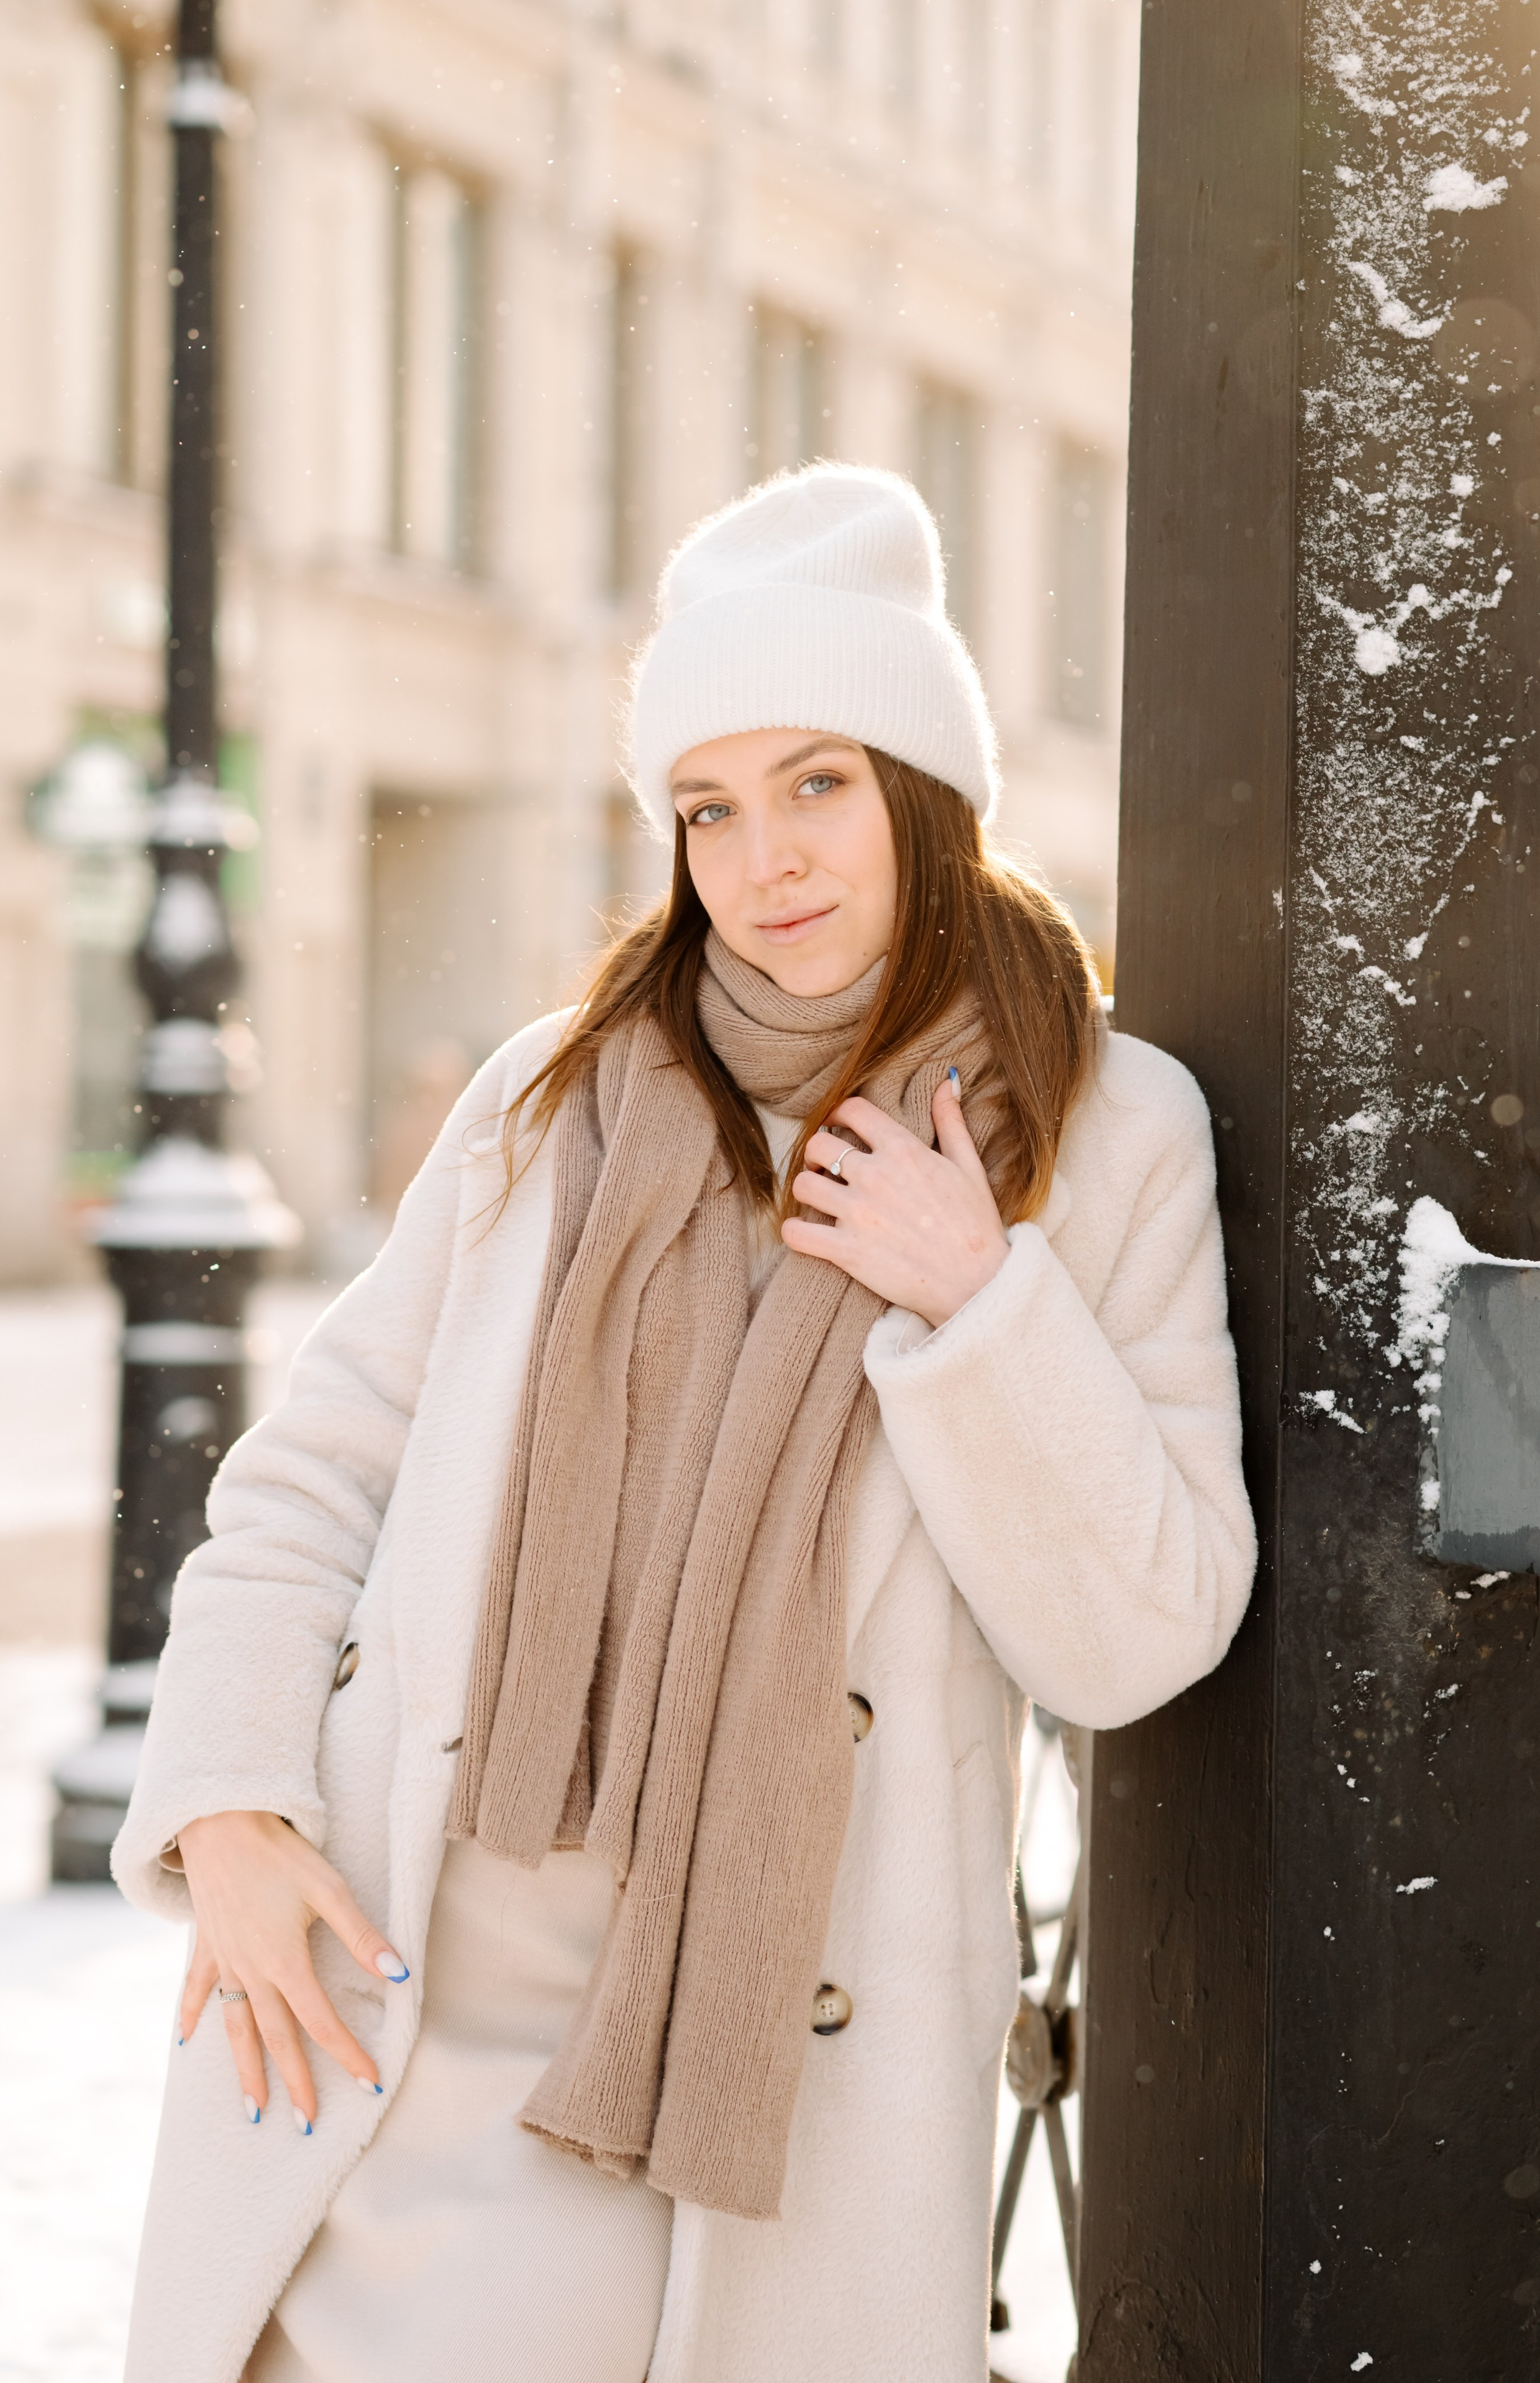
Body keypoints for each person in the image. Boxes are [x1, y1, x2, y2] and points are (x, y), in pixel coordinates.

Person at [113, 464, 1256, 2383]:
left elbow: (1144, 1630)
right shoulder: (552, 1105)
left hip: (766, 2076)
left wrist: (978, 1300)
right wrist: (228, 1799)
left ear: (924, 786)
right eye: (707, 806)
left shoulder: (1107, 1131)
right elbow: (311, 1479)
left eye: (819, 781)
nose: (763, 860)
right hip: (408, 2006)